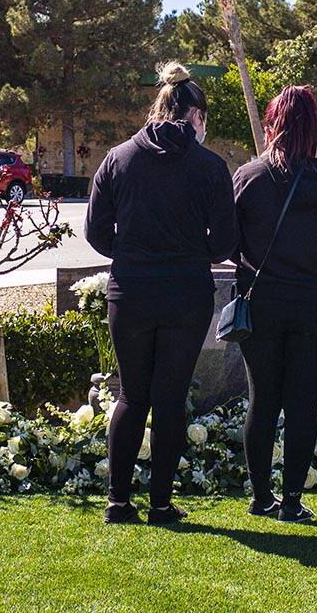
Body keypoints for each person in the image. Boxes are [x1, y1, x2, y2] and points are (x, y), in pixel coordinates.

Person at [85, 61, 237, 525]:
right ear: (195, 116)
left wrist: (131, 253)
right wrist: (194, 253)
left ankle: (117, 501)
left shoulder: (118, 158)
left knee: (132, 396)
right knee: (170, 398)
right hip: (186, 293)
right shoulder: (211, 167)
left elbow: (95, 232)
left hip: (130, 290)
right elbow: (226, 244)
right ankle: (161, 504)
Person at [232, 85, 317, 523]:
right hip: (314, 305)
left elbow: (231, 245)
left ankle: (260, 496)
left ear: (272, 125)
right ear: (314, 129)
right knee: (302, 401)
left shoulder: (247, 178)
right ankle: (290, 501)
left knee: (261, 398)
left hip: (260, 303)